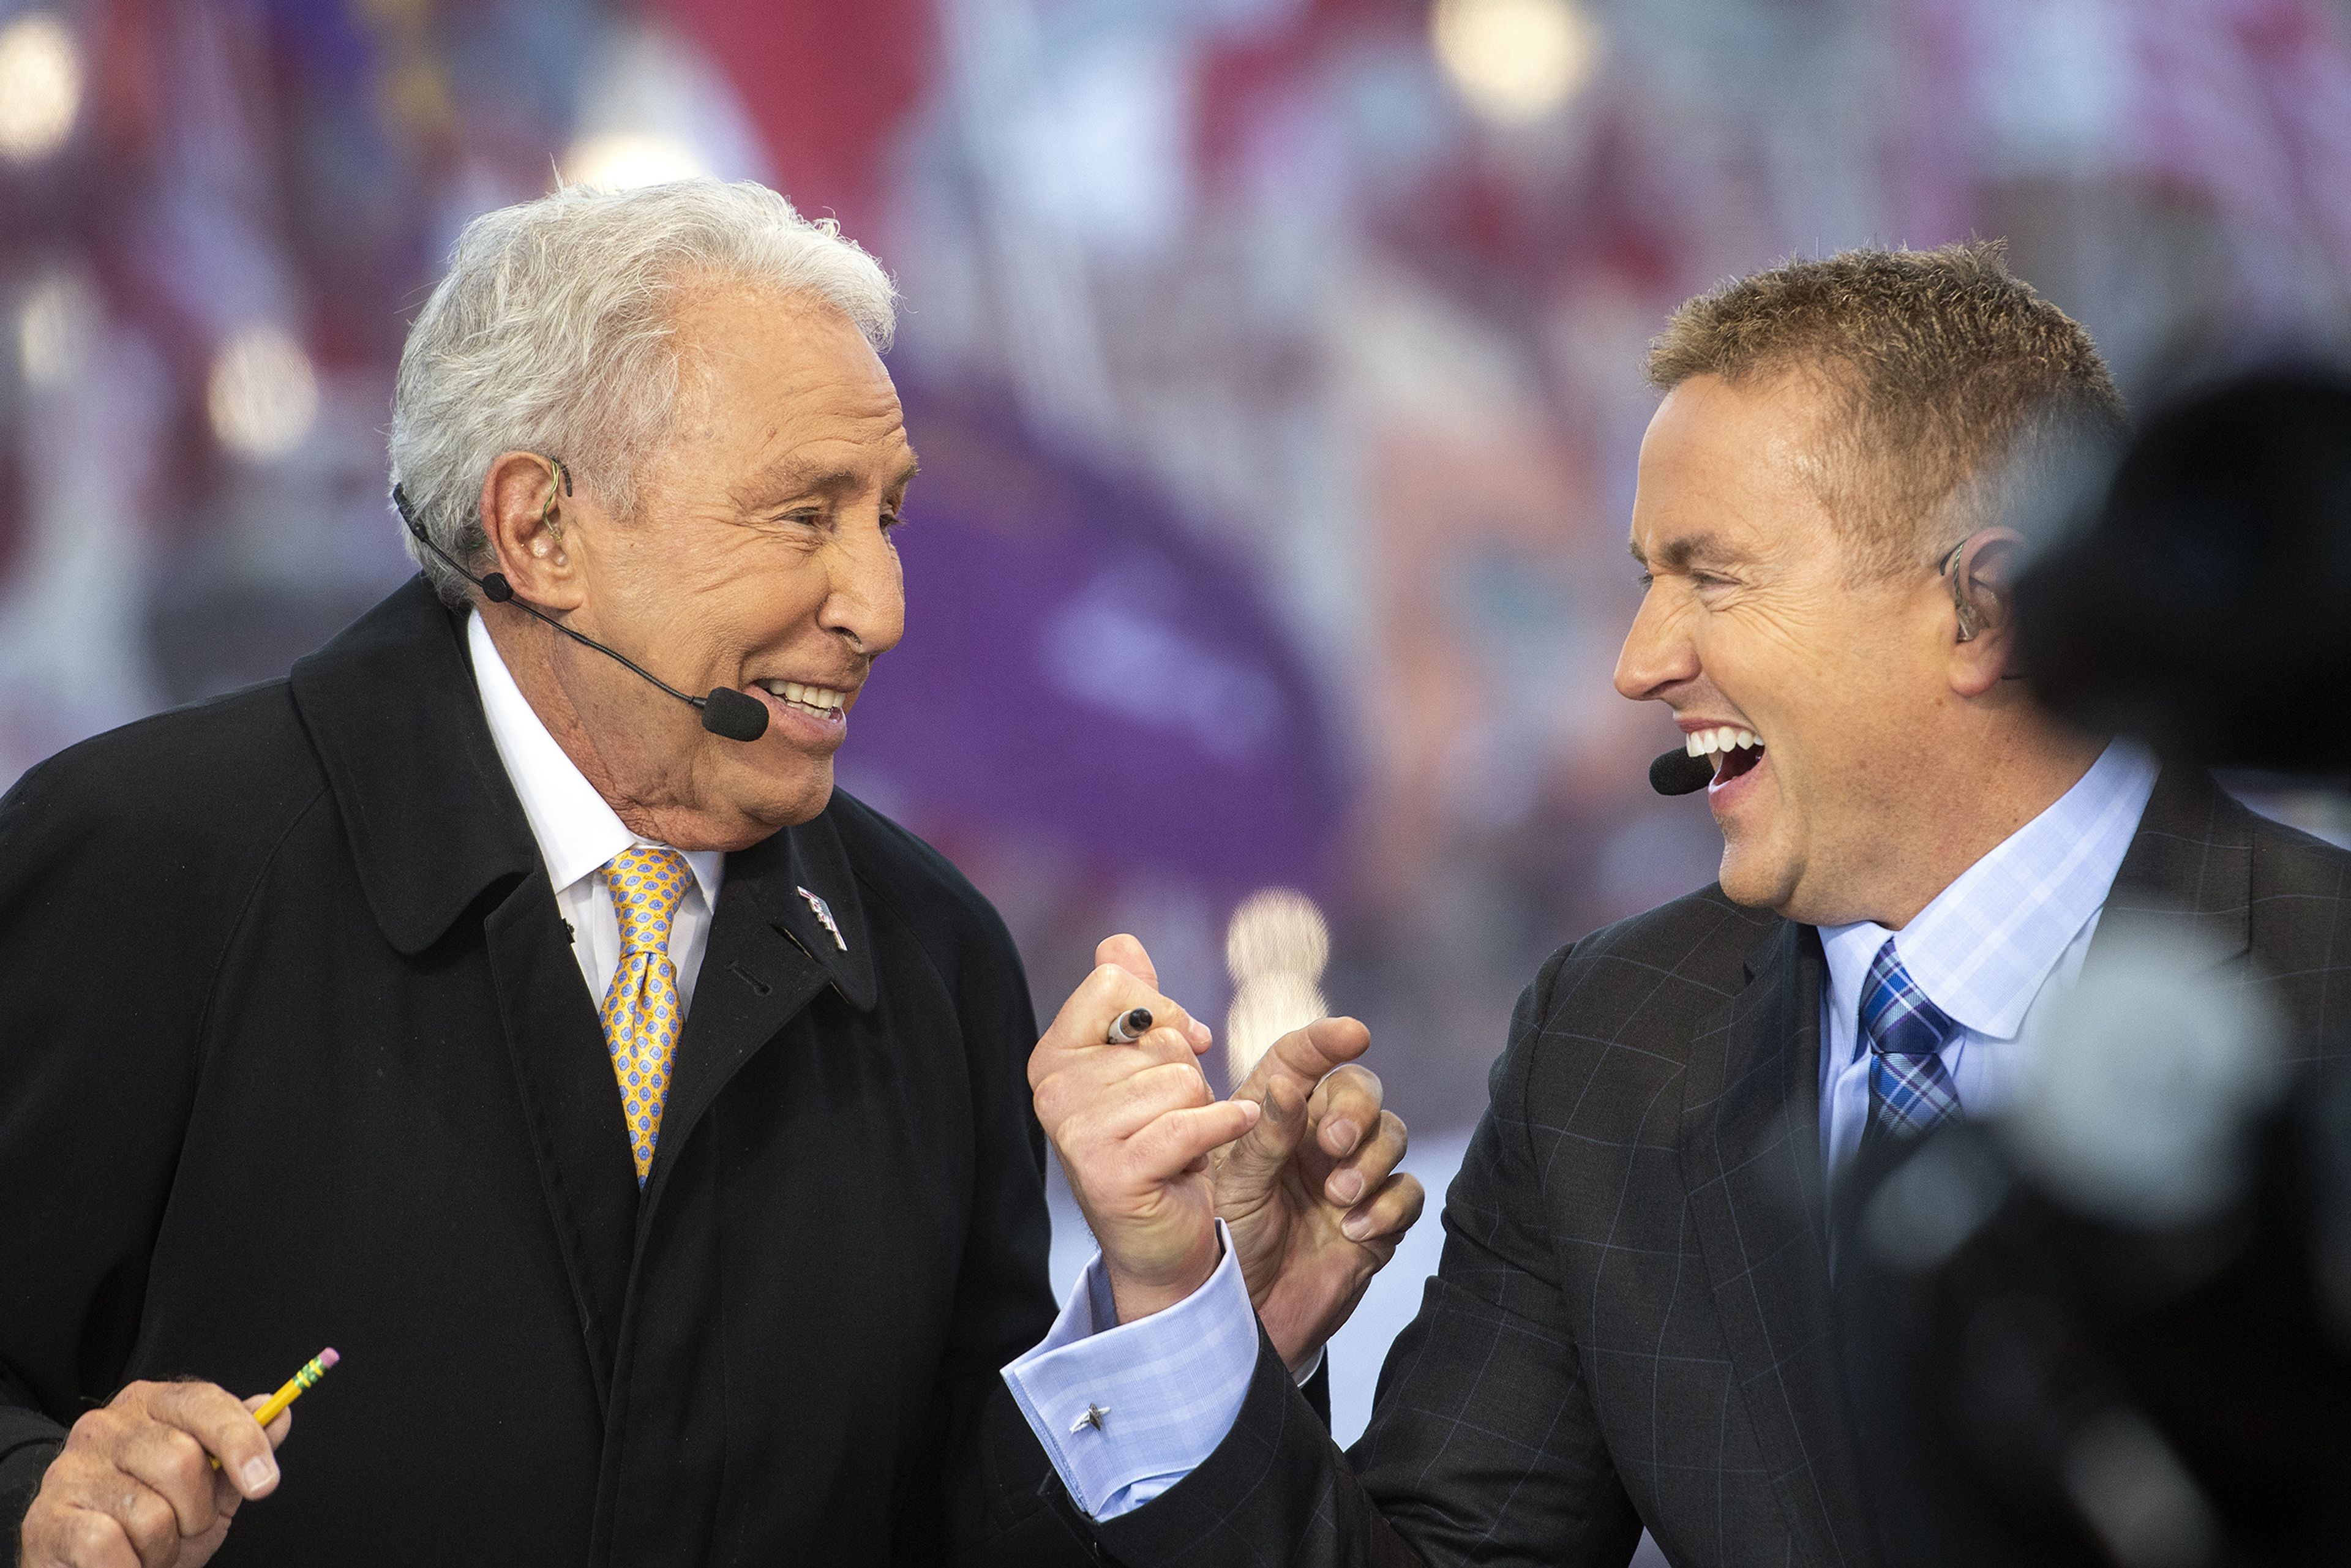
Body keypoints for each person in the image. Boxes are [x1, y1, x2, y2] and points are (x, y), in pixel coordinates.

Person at [0, 179, 1417, 1567]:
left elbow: (951, 1527)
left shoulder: (932, 955)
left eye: (890, 517)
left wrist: (1170, 1307)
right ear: (540, 531)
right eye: (804, 517)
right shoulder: (154, 858)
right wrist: (38, 1501)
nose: (881, 607)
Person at [1019, 242, 2351, 1566]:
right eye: (1645, 579)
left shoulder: (2329, 978)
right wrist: (1191, 1312)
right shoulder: (1608, 1042)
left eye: (1709, 576)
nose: (1638, 661)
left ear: (1981, 609)